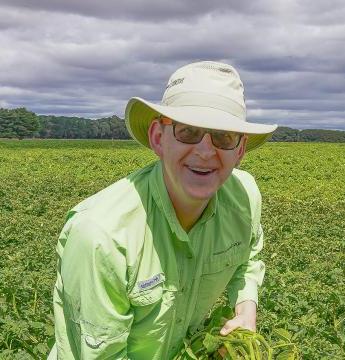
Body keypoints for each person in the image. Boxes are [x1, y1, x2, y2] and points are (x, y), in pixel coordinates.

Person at [49, 61, 277, 359]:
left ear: (240, 150)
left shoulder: (245, 196)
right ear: (158, 138)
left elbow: (248, 257)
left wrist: (245, 308)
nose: (206, 151)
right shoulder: (102, 236)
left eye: (223, 136)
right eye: (188, 132)